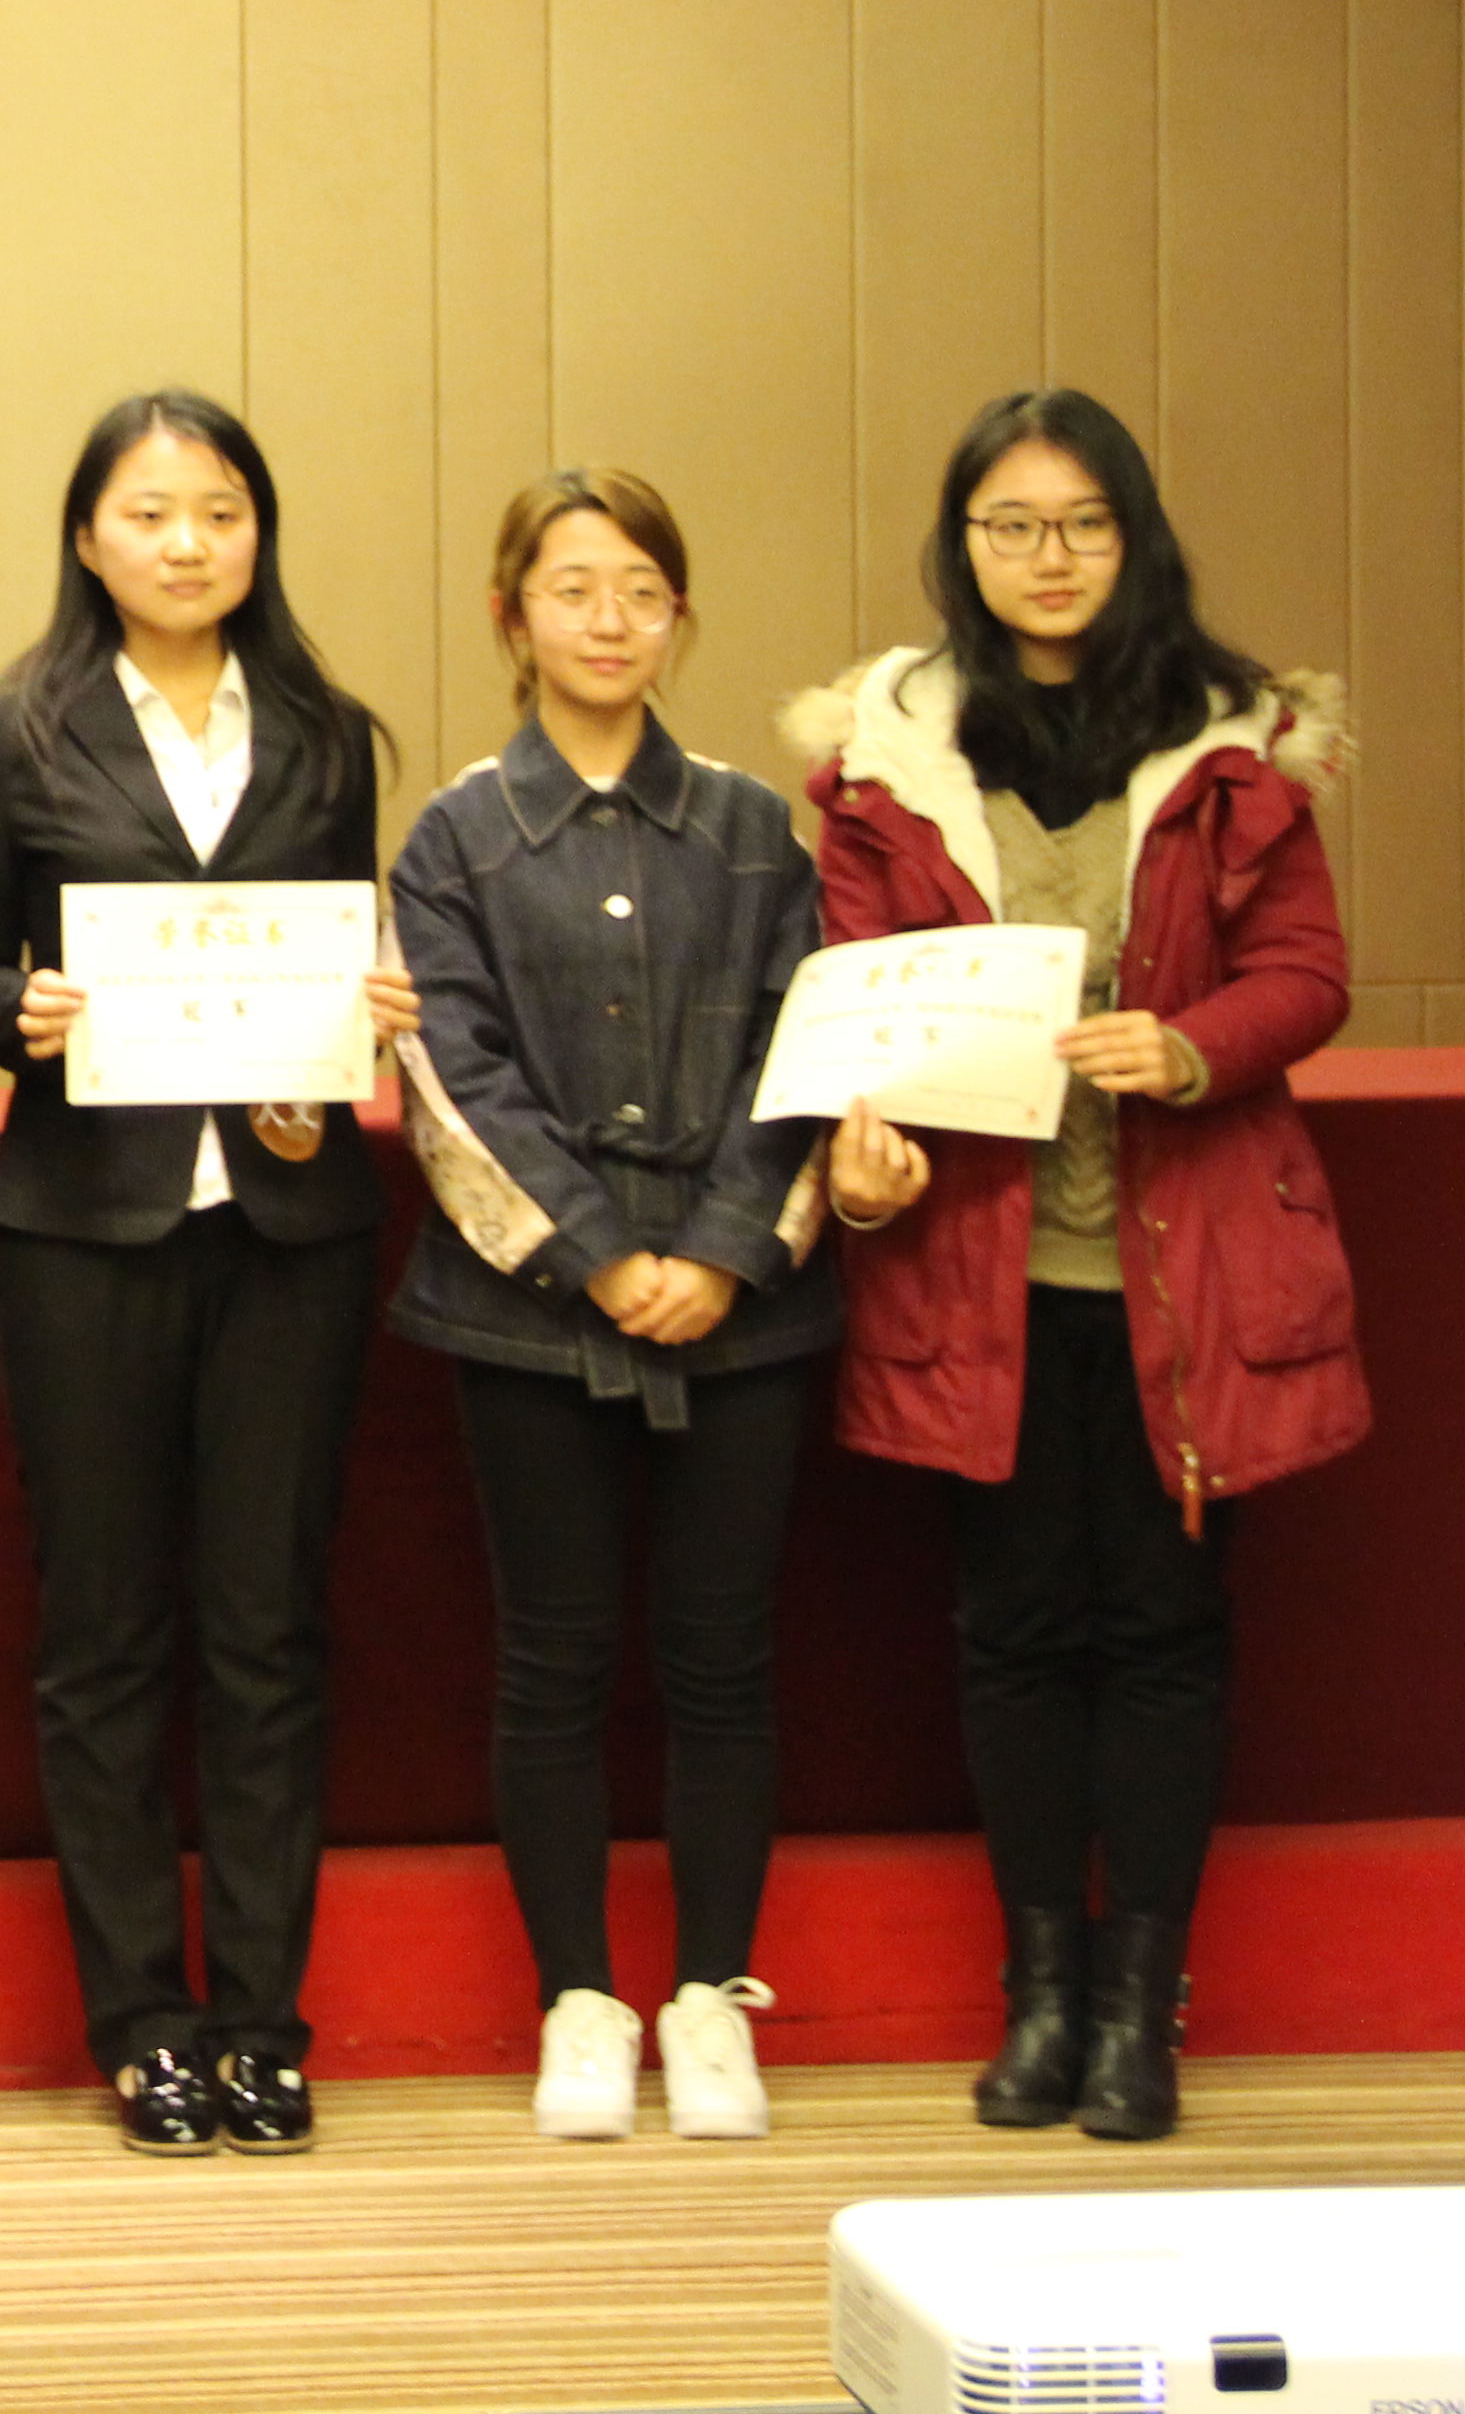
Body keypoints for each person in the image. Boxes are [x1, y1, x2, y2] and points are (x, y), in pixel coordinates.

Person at [787, 388, 1362, 2144]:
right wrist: (861, 1148)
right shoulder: (891, 758)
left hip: (1190, 1271)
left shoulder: (1232, 745)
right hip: (984, 1275)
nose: (1049, 558)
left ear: (1135, 538)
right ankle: (1040, 1997)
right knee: (1016, 1633)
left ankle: (1141, 2007)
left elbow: (1309, 973)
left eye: (1084, 524)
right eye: (1012, 526)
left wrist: (1189, 1048)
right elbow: (856, 993)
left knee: (1169, 1631)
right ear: (962, 545)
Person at [0, 388, 418, 2158]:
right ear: (89, 538)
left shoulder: (325, 732)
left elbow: (335, 956)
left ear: (257, 532)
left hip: (290, 1228)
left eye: (220, 511)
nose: (189, 543)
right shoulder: (12, 729)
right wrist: (19, 1007)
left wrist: (365, 1012)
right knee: (104, 1635)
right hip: (87, 1227)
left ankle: (264, 2026)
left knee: (269, 1628)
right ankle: (145, 2021)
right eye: (150, 514)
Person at [384, 468, 831, 2142]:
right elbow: (452, 1072)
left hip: (744, 1310)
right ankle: (579, 1996)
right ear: (512, 617)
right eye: (573, 589)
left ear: (679, 618)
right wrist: (596, 1255)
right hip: (528, 1315)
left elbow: (806, 1044)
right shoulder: (452, 838)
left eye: (642, 590)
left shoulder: (751, 827)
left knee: (723, 1658)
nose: (609, 620)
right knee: (553, 1657)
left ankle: (711, 1997)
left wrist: (720, 1250)